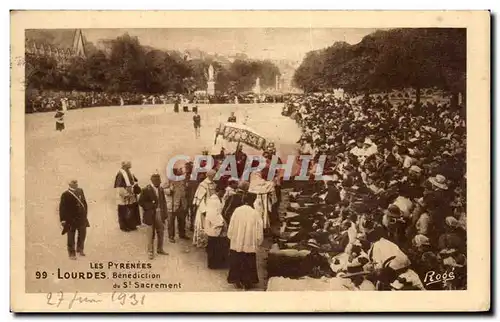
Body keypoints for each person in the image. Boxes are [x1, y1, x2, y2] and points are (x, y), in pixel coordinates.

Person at [227, 192, 263, 290]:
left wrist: (231, 236)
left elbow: (231, 225)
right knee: (248, 261)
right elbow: (259, 229)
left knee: (236, 260)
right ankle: (247, 282)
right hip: (249, 242)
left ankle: (236, 279)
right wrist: (259, 241)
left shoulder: (237, 211)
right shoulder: (255, 213)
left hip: (237, 241)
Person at [139, 173, 169, 259]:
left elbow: (163, 202)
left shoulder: (160, 189)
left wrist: (165, 215)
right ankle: (150, 252)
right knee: (150, 234)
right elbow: (141, 202)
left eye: (159, 181)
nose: (159, 183)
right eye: (157, 181)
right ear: (152, 181)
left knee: (161, 231)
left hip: (159, 213)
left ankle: (160, 249)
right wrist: (150, 206)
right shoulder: (145, 189)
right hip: (150, 215)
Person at [59, 180, 89, 260]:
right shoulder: (65, 194)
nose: (76, 185)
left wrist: (85, 214)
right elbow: (62, 208)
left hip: (81, 218)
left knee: (82, 234)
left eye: (76, 183)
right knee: (71, 236)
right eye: (73, 183)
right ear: (69, 184)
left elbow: (84, 203)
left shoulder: (80, 191)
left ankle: (80, 249)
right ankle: (71, 253)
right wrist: (62, 219)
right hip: (71, 219)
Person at [205, 182, 230, 269]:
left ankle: (219, 263)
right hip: (214, 224)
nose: (224, 194)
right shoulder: (212, 200)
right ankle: (213, 264)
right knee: (213, 244)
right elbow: (212, 214)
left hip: (219, 223)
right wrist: (220, 222)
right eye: (223, 192)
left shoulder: (220, 199)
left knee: (219, 245)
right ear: (219, 191)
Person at [114, 161, 141, 231]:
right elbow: (119, 187)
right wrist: (127, 194)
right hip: (124, 196)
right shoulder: (120, 174)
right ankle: (124, 227)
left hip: (131, 195)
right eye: (129, 163)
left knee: (131, 210)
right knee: (124, 211)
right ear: (125, 165)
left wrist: (134, 187)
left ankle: (132, 225)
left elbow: (135, 181)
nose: (130, 164)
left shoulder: (129, 172)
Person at [192, 169, 217, 248]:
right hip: (204, 208)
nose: (214, 176)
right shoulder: (203, 184)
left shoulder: (214, 184)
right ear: (209, 175)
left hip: (212, 207)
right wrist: (204, 210)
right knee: (203, 224)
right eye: (213, 175)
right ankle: (202, 242)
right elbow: (200, 198)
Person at [164, 168, 189, 243]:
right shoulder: (168, 180)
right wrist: (170, 190)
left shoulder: (182, 180)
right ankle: (171, 236)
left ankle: (182, 234)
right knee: (171, 221)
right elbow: (163, 190)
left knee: (182, 220)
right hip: (172, 204)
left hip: (182, 203)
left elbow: (185, 190)